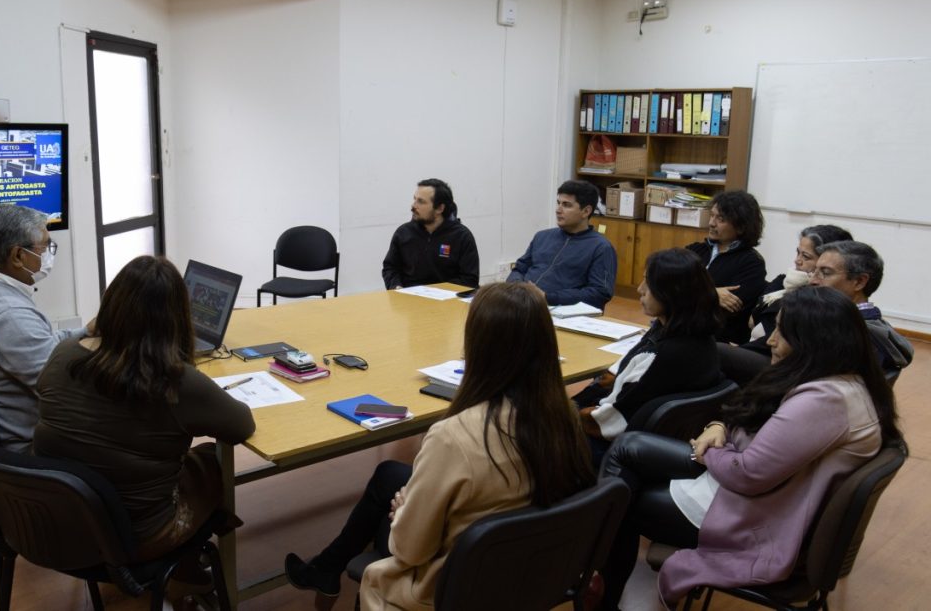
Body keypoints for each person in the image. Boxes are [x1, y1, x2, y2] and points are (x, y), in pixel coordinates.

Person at [284, 282, 594, 609]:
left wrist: (404, 509)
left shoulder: (453, 437)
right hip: (532, 578)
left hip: (457, 590)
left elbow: (408, 550)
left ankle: (328, 567)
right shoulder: (565, 419)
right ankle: (327, 567)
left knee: (389, 518)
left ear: (476, 345)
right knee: (390, 474)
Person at [597, 286, 902, 610]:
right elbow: (754, 422)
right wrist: (717, 428)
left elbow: (747, 473)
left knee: (621, 499)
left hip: (754, 515)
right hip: (763, 494)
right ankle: (596, 570)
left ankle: (601, 587)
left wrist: (711, 449)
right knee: (628, 449)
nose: (770, 340)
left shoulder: (823, 401)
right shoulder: (845, 381)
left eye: (782, 333)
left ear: (814, 341)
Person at [33, 255, 255, 568]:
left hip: (62, 518)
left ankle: (189, 569)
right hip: (135, 537)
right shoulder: (173, 379)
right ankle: (187, 566)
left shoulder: (64, 353)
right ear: (177, 317)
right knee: (209, 459)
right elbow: (241, 426)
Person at [0, 203, 89, 453]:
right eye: (44, 247)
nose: (48, 254)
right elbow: (64, 390)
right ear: (17, 256)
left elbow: (42, 345)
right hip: (30, 448)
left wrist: (88, 331)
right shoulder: (8, 315)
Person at [574, 248, 722, 465]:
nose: (640, 290)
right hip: (653, 439)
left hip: (609, 447)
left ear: (672, 293)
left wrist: (563, 413)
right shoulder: (696, 336)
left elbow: (610, 421)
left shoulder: (661, 355)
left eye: (648, 284)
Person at [719, 224, 853, 384]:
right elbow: (754, 317)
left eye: (806, 256)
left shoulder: (818, 300)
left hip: (778, 361)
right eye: (798, 252)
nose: (797, 260)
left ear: (825, 260)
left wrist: (740, 350)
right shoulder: (784, 281)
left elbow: (777, 337)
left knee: (716, 351)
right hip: (754, 346)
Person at [507, 179, 617, 308]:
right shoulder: (542, 236)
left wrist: (548, 297)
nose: (558, 210)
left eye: (566, 205)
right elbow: (519, 269)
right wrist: (518, 287)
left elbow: (599, 293)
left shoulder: (601, 247)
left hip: (561, 312)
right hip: (523, 303)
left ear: (586, 211)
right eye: (558, 203)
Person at [810, 240, 914, 373]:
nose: (813, 280)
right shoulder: (874, 327)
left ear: (859, 282)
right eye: (814, 271)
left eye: (826, 272)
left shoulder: (850, 337)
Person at [685, 190, 767, 344]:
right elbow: (666, 287)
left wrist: (687, 293)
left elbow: (728, 310)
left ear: (741, 226)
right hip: (682, 330)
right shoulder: (695, 250)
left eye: (720, 219)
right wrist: (712, 293)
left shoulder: (752, 263)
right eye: (712, 215)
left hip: (717, 341)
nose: (711, 223)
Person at [382, 178, 479, 289]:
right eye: (415, 199)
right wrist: (396, 286)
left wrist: (434, 292)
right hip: (407, 300)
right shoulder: (403, 233)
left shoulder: (462, 237)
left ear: (439, 208)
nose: (414, 206)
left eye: (421, 202)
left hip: (447, 301)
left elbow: (469, 279)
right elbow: (390, 267)